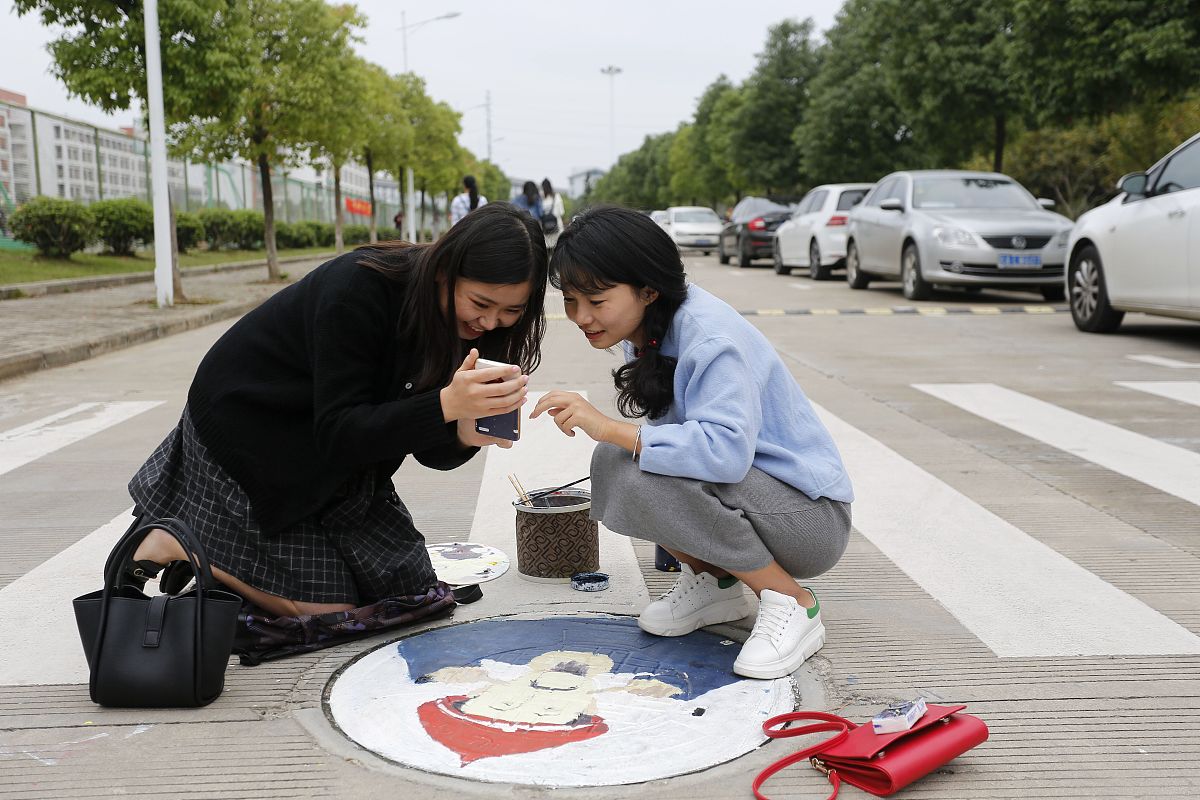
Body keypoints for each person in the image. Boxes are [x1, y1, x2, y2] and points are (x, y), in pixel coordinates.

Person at [125, 203, 548, 618]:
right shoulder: (359, 288)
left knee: (408, 590)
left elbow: (424, 448)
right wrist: (445, 405)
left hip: (341, 456)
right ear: (445, 270)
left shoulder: (469, 326)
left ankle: (224, 561)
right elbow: (339, 431)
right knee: (333, 609)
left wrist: (461, 434)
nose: (491, 322)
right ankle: (179, 539)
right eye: (481, 302)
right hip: (254, 430)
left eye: (511, 311)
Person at [530, 205, 853, 680]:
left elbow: (724, 454)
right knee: (615, 464)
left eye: (596, 301)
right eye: (572, 301)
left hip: (810, 517)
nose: (581, 317)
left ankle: (794, 603)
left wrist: (611, 427)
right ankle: (715, 583)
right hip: (762, 497)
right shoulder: (648, 328)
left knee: (632, 465)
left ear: (647, 288)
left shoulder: (709, 338)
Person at [540, 178, 566, 250]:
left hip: (545, 232)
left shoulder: (540, 199)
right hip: (557, 229)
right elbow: (561, 212)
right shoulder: (557, 197)